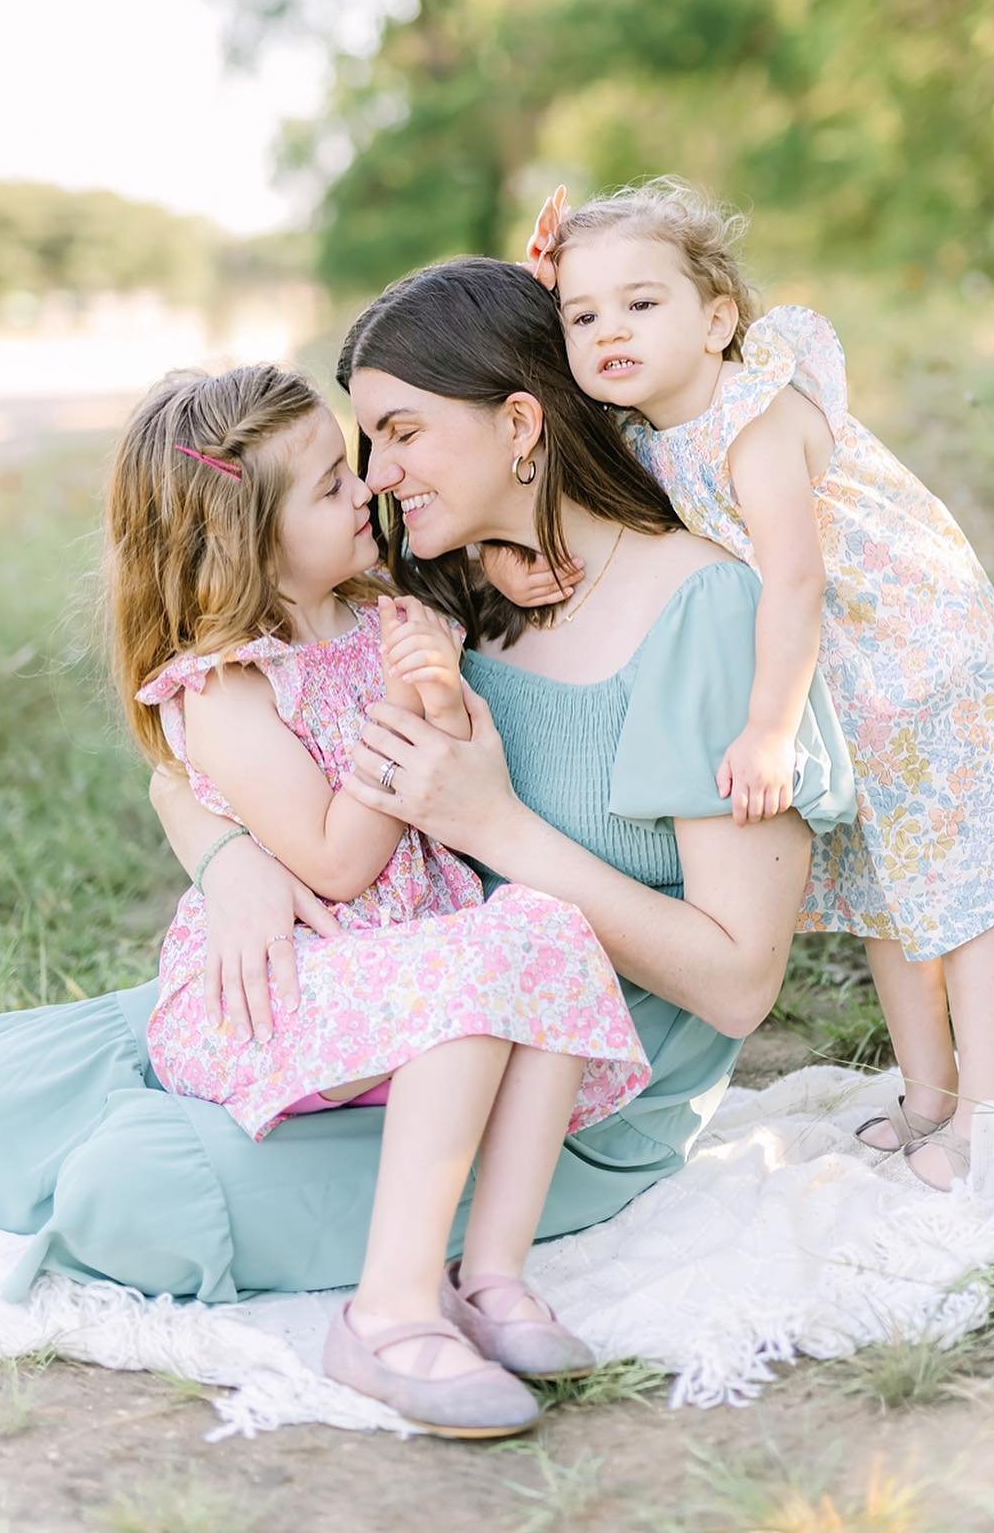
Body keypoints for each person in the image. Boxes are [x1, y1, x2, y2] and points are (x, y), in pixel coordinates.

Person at [0, 258, 854, 1370]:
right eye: (362, 448)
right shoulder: (443, 573)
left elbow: (743, 983)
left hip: (577, 1063)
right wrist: (229, 863)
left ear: (517, 425)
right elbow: (203, 747)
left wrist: (499, 829)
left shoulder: (704, 611)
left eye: (400, 433)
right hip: (390, 974)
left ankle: (425, 1297)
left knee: (134, 1187)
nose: (378, 476)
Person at [104, 361, 651, 1436]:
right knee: (467, 977)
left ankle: (490, 1274)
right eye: (325, 488)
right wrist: (402, 708)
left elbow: (452, 777)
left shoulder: (375, 612)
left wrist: (438, 695)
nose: (364, 491)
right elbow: (336, 863)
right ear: (245, 543)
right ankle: (386, 1310)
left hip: (402, 960)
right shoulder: (228, 687)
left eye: (347, 468)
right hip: (277, 992)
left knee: (542, 927)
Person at [501, 178, 994, 1188]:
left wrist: (768, 732)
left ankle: (992, 1119)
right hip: (829, 671)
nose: (608, 330)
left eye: (642, 303)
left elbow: (796, 572)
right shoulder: (641, 429)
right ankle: (928, 1097)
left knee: (960, 897)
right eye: (583, 315)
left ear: (717, 318)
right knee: (889, 901)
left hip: (916, 657)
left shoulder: (751, 412)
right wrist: (537, 281)